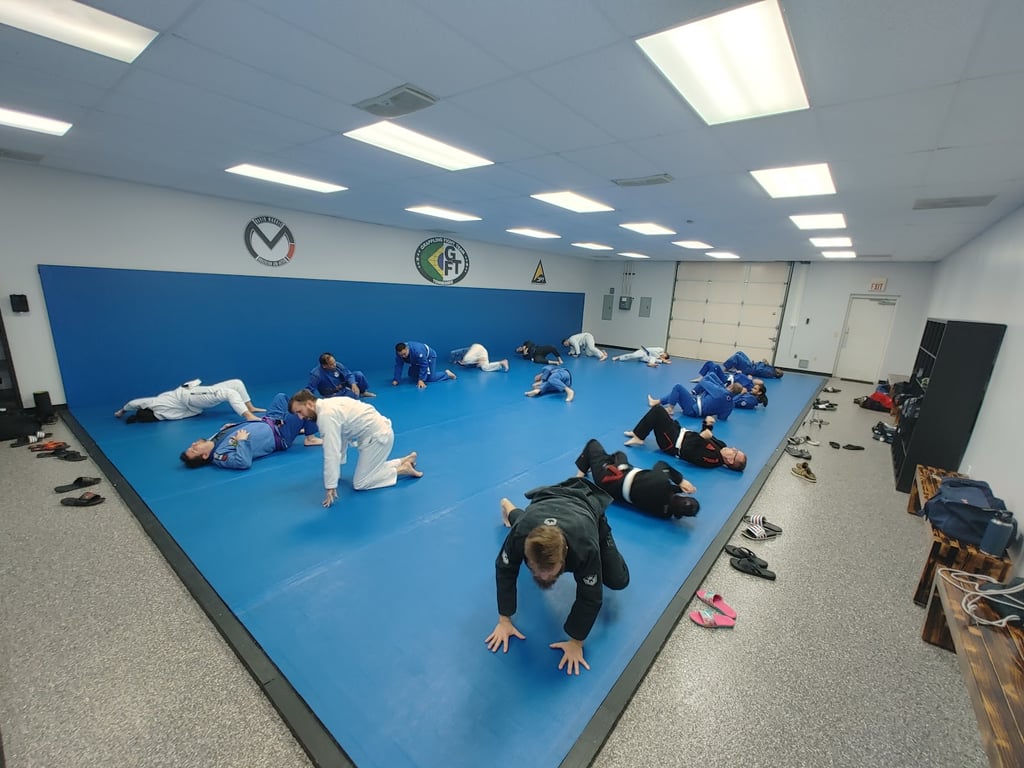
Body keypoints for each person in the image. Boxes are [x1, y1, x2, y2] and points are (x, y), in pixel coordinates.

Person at [485, 477, 629, 675]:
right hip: (546, 502)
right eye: (535, 569)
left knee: (618, 580)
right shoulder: (521, 534)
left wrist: (576, 642)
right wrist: (504, 620)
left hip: (586, 507)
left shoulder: (585, 546)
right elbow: (504, 570)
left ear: (565, 557)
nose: (543, 577)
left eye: (549, 571)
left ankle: (606, 541)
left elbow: (590, 598)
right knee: (523, 523)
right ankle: (507, 506)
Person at [288, 390, 422, 508]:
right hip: (379, 432)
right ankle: (403, 461)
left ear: (309, 404)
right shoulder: (329, 404)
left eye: (300, 412)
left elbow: (331, 452)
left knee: (361, 483)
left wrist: (330, 486)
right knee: (370, 472)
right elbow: (341, 436)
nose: (300, 417)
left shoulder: (325, 416)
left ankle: (402, 470)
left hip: (378, 438)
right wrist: (336, 472)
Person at [179, 393, 322, 470]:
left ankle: (299, 428)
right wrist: (242, 441)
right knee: (304, 411)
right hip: (280, 435)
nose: (193, 444)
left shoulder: (213, 440)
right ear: (205, 456)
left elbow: (235, 434)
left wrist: (233, 427)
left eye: (191, 446)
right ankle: (310, 438)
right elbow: (243, 462)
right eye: (194, 450)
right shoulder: (220, 456)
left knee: (281, 397)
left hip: (270, 420)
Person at [574, 438, 699, 520]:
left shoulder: (661, 481)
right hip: (615, 493)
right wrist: (678, 489)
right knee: (619, 455)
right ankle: (600, 463)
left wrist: (680, 481)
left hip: (610, 479)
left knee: (593, 444)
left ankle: (579, 475)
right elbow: (665, 496)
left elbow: (661, 465)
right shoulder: (664, 513)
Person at [624, 409, 746, 471]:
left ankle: (639, 437)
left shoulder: (712, 460)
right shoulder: (722, 445)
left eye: (735, 452)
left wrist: (701, 437)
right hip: (679, 431)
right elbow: (707, 436)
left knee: (658, 411)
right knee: (662, 412)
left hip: (672, 444)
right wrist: (707, 424)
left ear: (730, 460)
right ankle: (638, 433)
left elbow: (687, 452)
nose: (733, 448)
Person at [115, 378, 265, 423]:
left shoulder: (165, 416)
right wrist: (122, 411)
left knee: (236, 384)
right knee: (230, 392)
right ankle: (248, 415)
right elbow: (134, 403)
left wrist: (123, 412)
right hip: (190, 396)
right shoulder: (154, 404)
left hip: (193, 399)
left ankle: (250, 407)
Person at [648, 373, 741, 421]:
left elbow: (703, 382)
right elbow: (722, 418)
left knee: (678, 387)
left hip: (692, 409)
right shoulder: (731, 405)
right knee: (678, 394)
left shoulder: (720, 392)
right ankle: (657, 402)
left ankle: (670, 409)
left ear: (730, 387)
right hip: (700, 413)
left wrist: (719, 385)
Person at [306, 353, 375, 399]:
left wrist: (353, 384)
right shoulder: (316, 374)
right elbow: (310, 389)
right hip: (332, 393)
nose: (334, 365)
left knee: (358, 374)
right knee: (354, 396)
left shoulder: (338, 365)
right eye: (331, 364)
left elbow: (348, 374)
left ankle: (363, 393)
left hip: (342, 384)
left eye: (334, 362)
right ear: (324, 366)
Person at [392, 341, 456, 388]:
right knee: (412, 374)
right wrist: (396, 379)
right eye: (401, 355)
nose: (403, 356)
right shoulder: (399, 353)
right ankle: (423, 375)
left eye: (404, 354)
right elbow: (398, 365)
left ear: (407, 348)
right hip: (416, 360)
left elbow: (424, 364)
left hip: (428, 357)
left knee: (431, 378)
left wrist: (421, 380)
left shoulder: (418, 351)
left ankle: (446, 374)